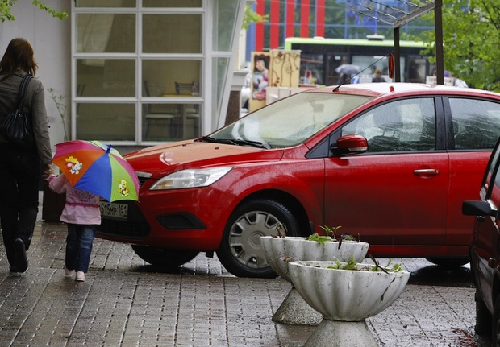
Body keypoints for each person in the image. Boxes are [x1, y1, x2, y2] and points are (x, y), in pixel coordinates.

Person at [0, 38, 53, 274]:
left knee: (7, 205)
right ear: (28, 58)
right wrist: (47, 160)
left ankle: (13, 259)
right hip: (26, 155)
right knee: (30, 202)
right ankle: (23, 239)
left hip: (1, 155)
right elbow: (40, 128)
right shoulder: (34, 86)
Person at [48, 174, 101, 282]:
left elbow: (56, 187)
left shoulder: (71, 172)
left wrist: (51, 177)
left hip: (80, 216)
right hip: (81, 216)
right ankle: (75, 268)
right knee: (82, 243)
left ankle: (78, 269)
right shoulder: (97, 176)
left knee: (76, 242)